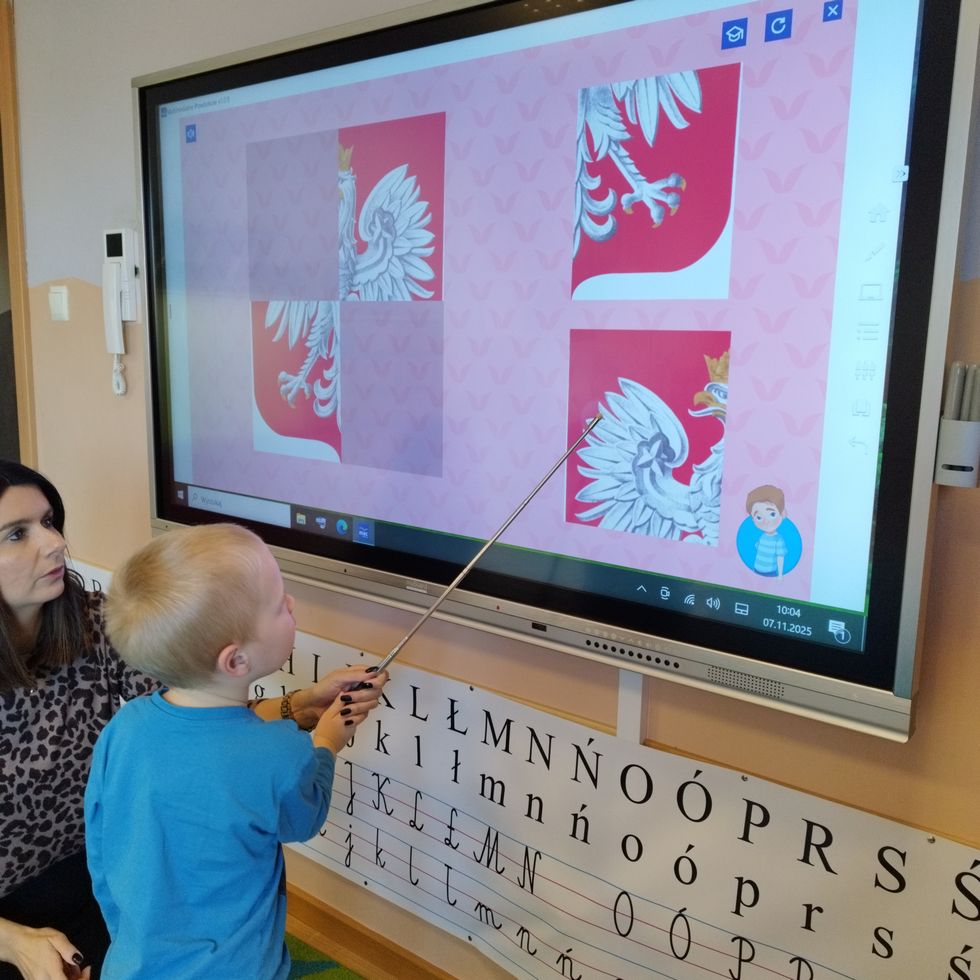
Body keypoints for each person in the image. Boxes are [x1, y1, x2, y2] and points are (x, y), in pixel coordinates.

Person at [0, 460, 383, 980]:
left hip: (111, 885)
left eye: (49, 521)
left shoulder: (93, 623)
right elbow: (238, 752)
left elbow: (197, 716)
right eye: (16, 534)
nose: (54, 543)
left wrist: (303, 705)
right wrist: (17, 943)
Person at [84, 522, 387, 979]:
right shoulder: (281, 751)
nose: (291, 605)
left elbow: (100, 839)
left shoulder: (125, 727)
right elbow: (304, 818)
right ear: (236, 660)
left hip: (132, 960)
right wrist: (327, 740)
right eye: (278, 604)